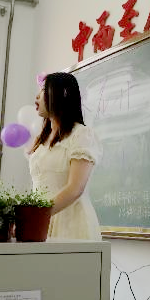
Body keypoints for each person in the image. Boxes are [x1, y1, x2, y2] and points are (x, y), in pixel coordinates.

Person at [27, 72, 102, 240]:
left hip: (71, 223)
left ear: (60, 94)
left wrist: (37, 216)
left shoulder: (81, 135)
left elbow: (75, 188)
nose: (37, 96)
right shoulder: (41, 140)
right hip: (41, 223)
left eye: (43, 90)